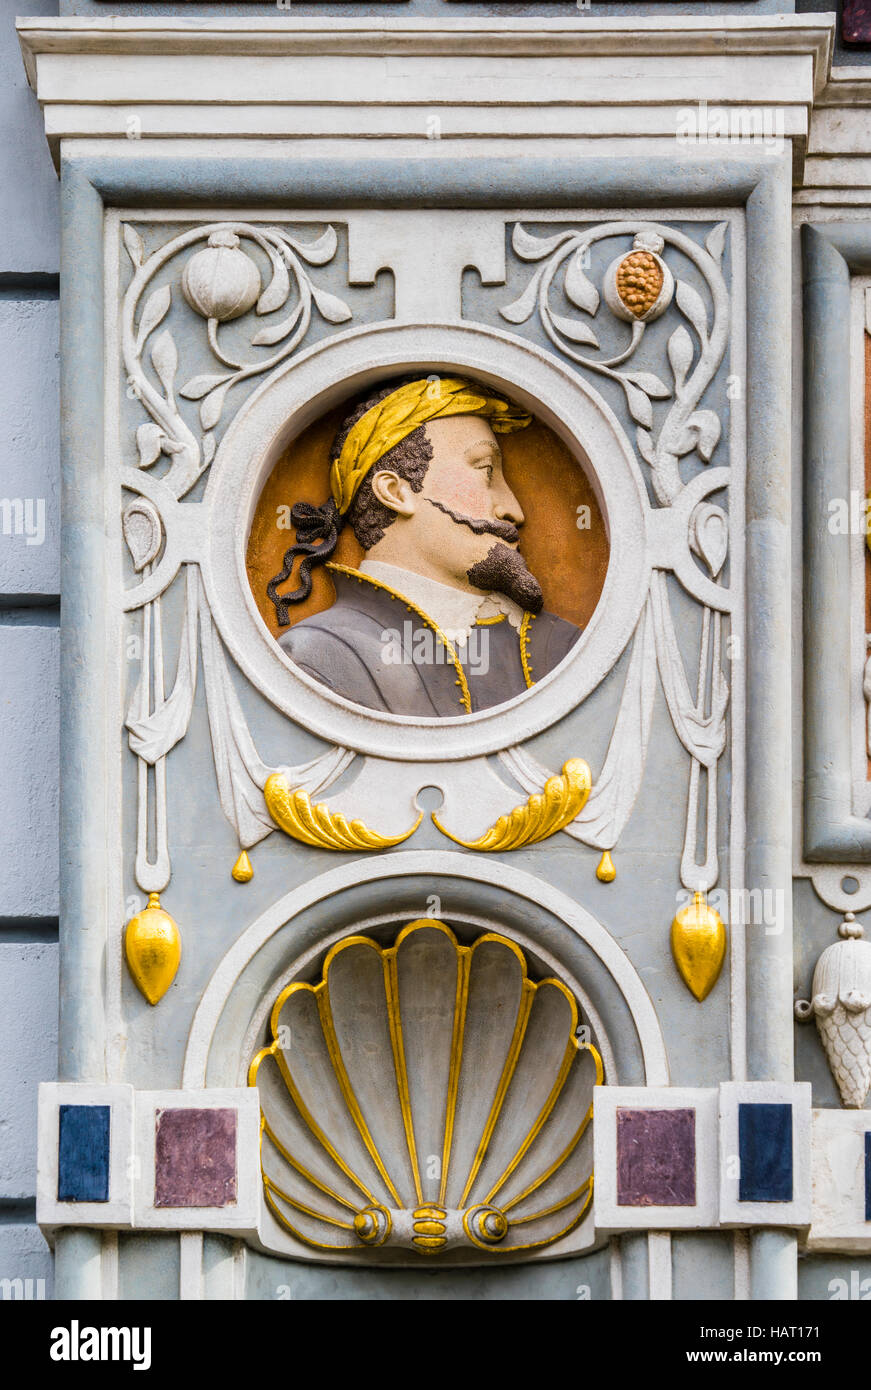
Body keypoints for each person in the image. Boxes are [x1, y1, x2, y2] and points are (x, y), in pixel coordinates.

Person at [267, 375, 581, 715]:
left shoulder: (563, 647)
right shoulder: (320, 655)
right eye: (486, 471)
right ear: (395, 493)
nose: (514, 511)